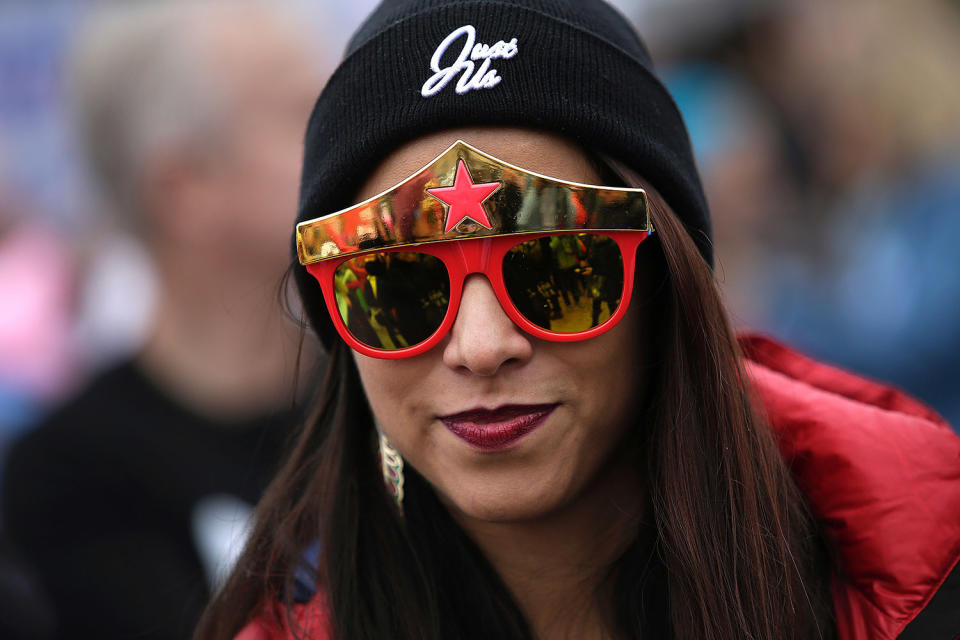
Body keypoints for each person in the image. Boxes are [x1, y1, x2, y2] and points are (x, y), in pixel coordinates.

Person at [199, 1, 960, 639]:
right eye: (398, 285)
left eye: (560, 269)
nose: (483, 345)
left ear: (670, 284)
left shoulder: (925, 564)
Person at [1, 2, 325, 638]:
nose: (348, 134)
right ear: (186, 186)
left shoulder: (388, 385)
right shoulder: (73, 475)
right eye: (302, 110)